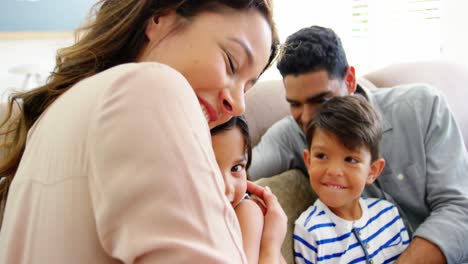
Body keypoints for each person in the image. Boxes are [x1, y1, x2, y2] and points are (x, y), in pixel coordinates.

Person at [0, 1, 288, 263]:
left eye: (247, 88)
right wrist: (269, 252)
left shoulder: (50, 118)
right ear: (161, 16)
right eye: (231, 62)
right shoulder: (150, 86)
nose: (238, 105)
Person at [249, 25, 468, 263]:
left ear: (350, 80)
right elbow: (237, 171)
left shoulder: (423, 107)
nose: (308, 117)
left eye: (320, 100)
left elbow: (460, 208)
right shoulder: (292, 133)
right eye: (295, 104)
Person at [294, 95, 410, 263]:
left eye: (350, 160)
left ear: (373, 171)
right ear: (308, 161)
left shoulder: (388, 214)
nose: (334, 171)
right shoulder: (309, 231)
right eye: (321, 156)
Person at [211, 115, 263, 263]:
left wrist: (272, 243)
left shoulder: (246, 212)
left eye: (236, 168)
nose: (228, 187)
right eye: (212, 170)